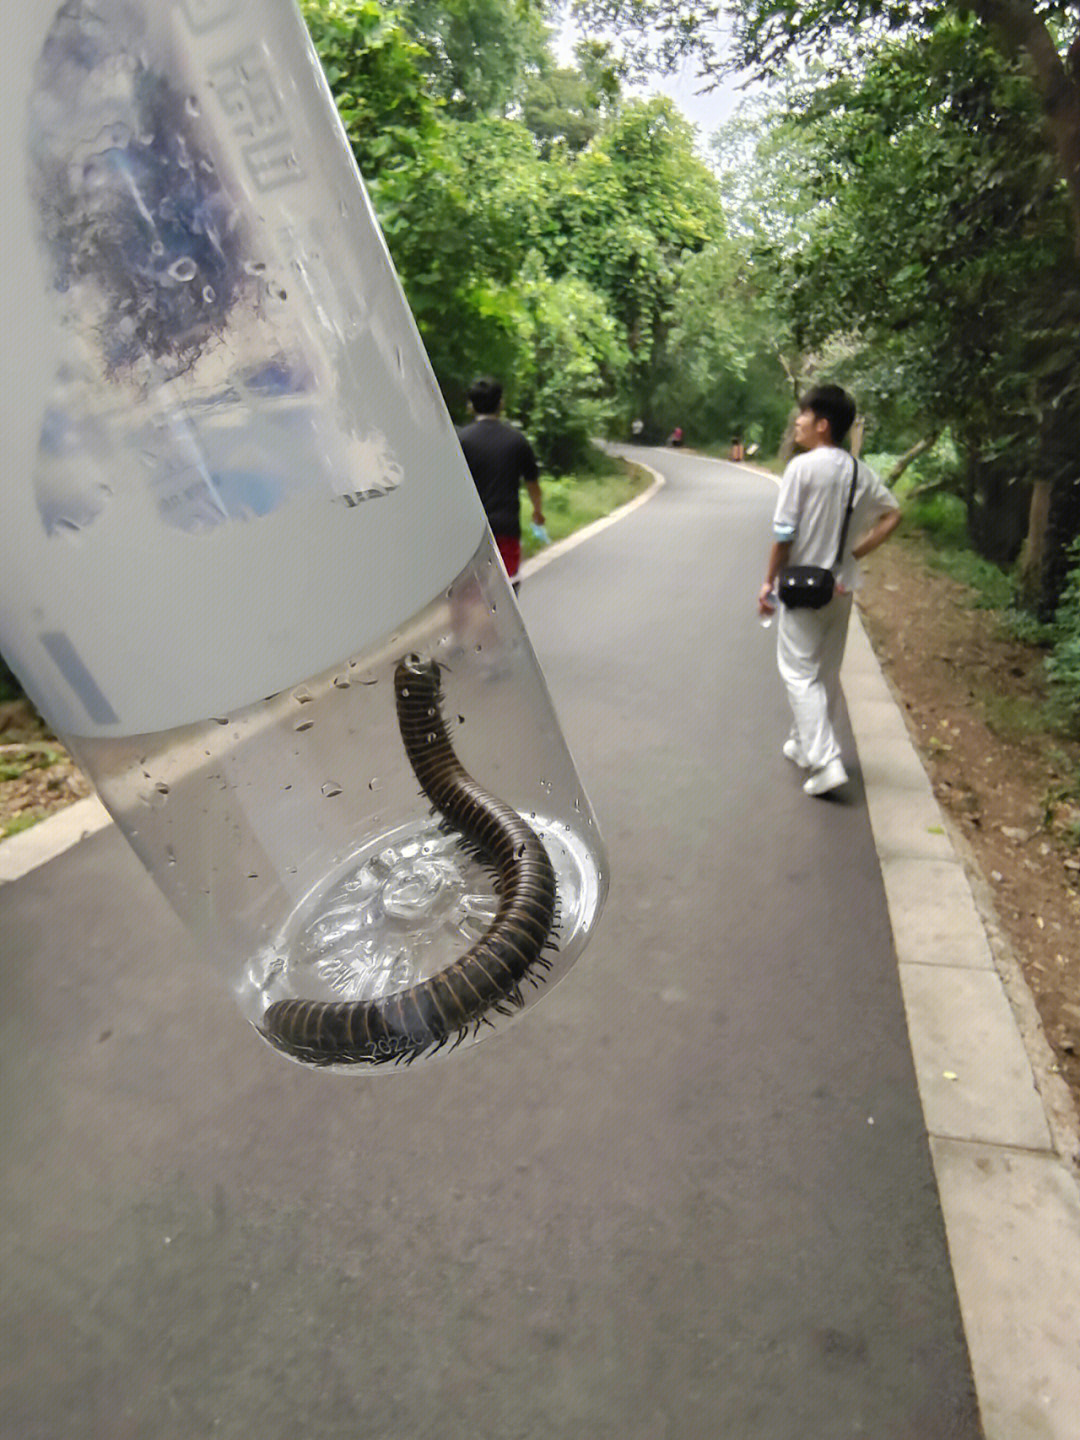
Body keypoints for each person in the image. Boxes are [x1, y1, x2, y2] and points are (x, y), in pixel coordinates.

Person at [757, 385, 901, 798]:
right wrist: (858, 551)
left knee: (798, 672)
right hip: (841, 587)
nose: (797, 423)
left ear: (822, 424)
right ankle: (803, 744)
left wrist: (768, 581)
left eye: (803, 416)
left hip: (803, 586)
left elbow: (784, 534)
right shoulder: (860, 471)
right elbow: (893, 515)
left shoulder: (802, 469)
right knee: (824, 671)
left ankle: (825, 760)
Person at [456, 376, 543, 594]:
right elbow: (532, 484)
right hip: (506, 530)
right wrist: (538, 512)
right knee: (506, 595)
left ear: (470, 406)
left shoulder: (460, 441)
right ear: (501, 403)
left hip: (469, 533)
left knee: (468, 594)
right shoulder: (517, 440)